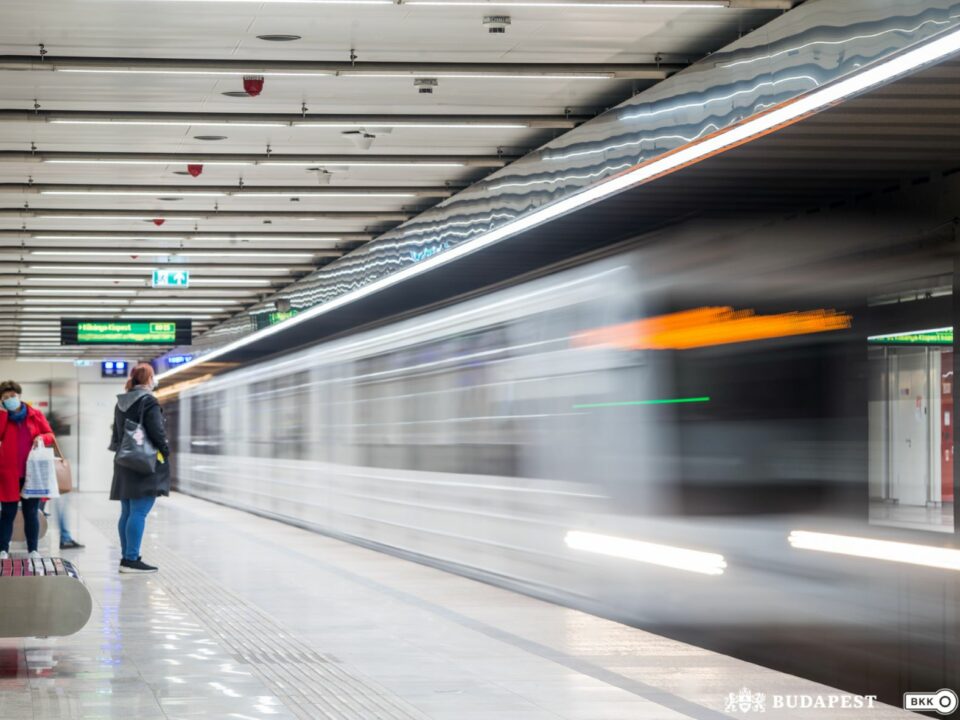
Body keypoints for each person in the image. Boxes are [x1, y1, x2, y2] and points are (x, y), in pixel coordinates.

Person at [109, 363, 169, 574]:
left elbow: (116, 435)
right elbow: (156, 431)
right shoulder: (148, 401)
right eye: (152, 377)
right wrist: (165, 449)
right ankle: (131, 559)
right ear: (148, 379)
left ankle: (128, 557)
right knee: (140, 511)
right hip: (143, 462)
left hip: (124, 461)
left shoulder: (121, 402)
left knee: (127, 511)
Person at [0, 380, 55, 560]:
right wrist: (2, 414)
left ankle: (33, 550)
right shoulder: (2, 417)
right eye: (6, 397)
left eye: (13, 396)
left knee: (31, 513)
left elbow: (50, 435)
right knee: (7, 513)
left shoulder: (35, 415)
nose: (10, 399)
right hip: (8, 473)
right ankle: (3, 550)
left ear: (20, 395)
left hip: (32, 473)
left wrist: (42, 438)